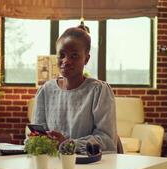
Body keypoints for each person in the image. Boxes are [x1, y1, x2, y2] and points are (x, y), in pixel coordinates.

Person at [32, 25, 118, 154]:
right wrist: (37, 140)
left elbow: (107, 140)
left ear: (86, 59)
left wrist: (68, 144)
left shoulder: (99, 91)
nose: (66, 61)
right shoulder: (45, 91)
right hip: (52, 165)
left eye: (74, 56)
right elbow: (38, 133)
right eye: (62, 55)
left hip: (90, 167)